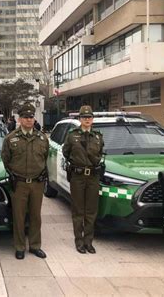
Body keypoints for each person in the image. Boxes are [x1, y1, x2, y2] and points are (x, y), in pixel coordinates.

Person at [1, 104, 49, 260]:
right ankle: (20, 246)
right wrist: (13, 174)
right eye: (26, 117)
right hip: (19, 183)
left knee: (35, 216)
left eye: (31, 117)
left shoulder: (42, 138)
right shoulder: (10, 138)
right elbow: (5, 159)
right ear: (20, 119)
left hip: (37, 183)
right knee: (19, 216)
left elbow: (45, 158)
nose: (29, 120)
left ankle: (35, 246)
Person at [62, 105, 104, 254]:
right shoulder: (72, 135)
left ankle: (89, 241)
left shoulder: (98, 136)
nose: (87, 119)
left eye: (89, 117)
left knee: (91, 211)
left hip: (93, 176)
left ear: (92, 119)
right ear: (80, 119)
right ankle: (79, 241)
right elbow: (66, 152)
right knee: (78, 210)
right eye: (84, 117)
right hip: (78, 176)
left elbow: (101, 154)